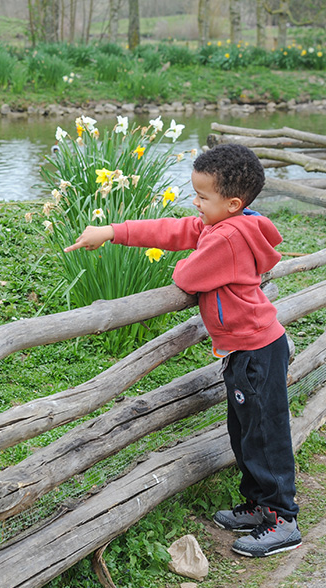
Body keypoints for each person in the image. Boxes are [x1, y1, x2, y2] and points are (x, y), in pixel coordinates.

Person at [64, 143, 301, 558]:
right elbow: (175, 230)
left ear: (232, 203)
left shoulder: (227, 237)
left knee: (265, 436)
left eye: (201, 197)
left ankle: (283, 519)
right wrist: (113, 232)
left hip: (256, 352)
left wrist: (196, 248)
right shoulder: (226, 223)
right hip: (247, 351)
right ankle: (257, 507)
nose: (194, 203)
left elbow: (188, 276)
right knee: (245, 433)